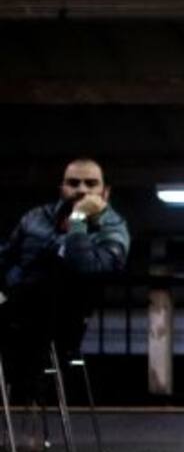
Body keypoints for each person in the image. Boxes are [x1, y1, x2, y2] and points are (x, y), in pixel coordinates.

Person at [0, 158, 130, 422]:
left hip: (62, 319)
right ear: (62, 188)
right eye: (73, 183)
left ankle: (29, 411)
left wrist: (79, 220)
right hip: (16, 308)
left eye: (91, 184)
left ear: (105, 192)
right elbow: (6, 257)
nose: (81, 190)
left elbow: (87, 269)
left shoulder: (114, 229)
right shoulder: (36, 218)